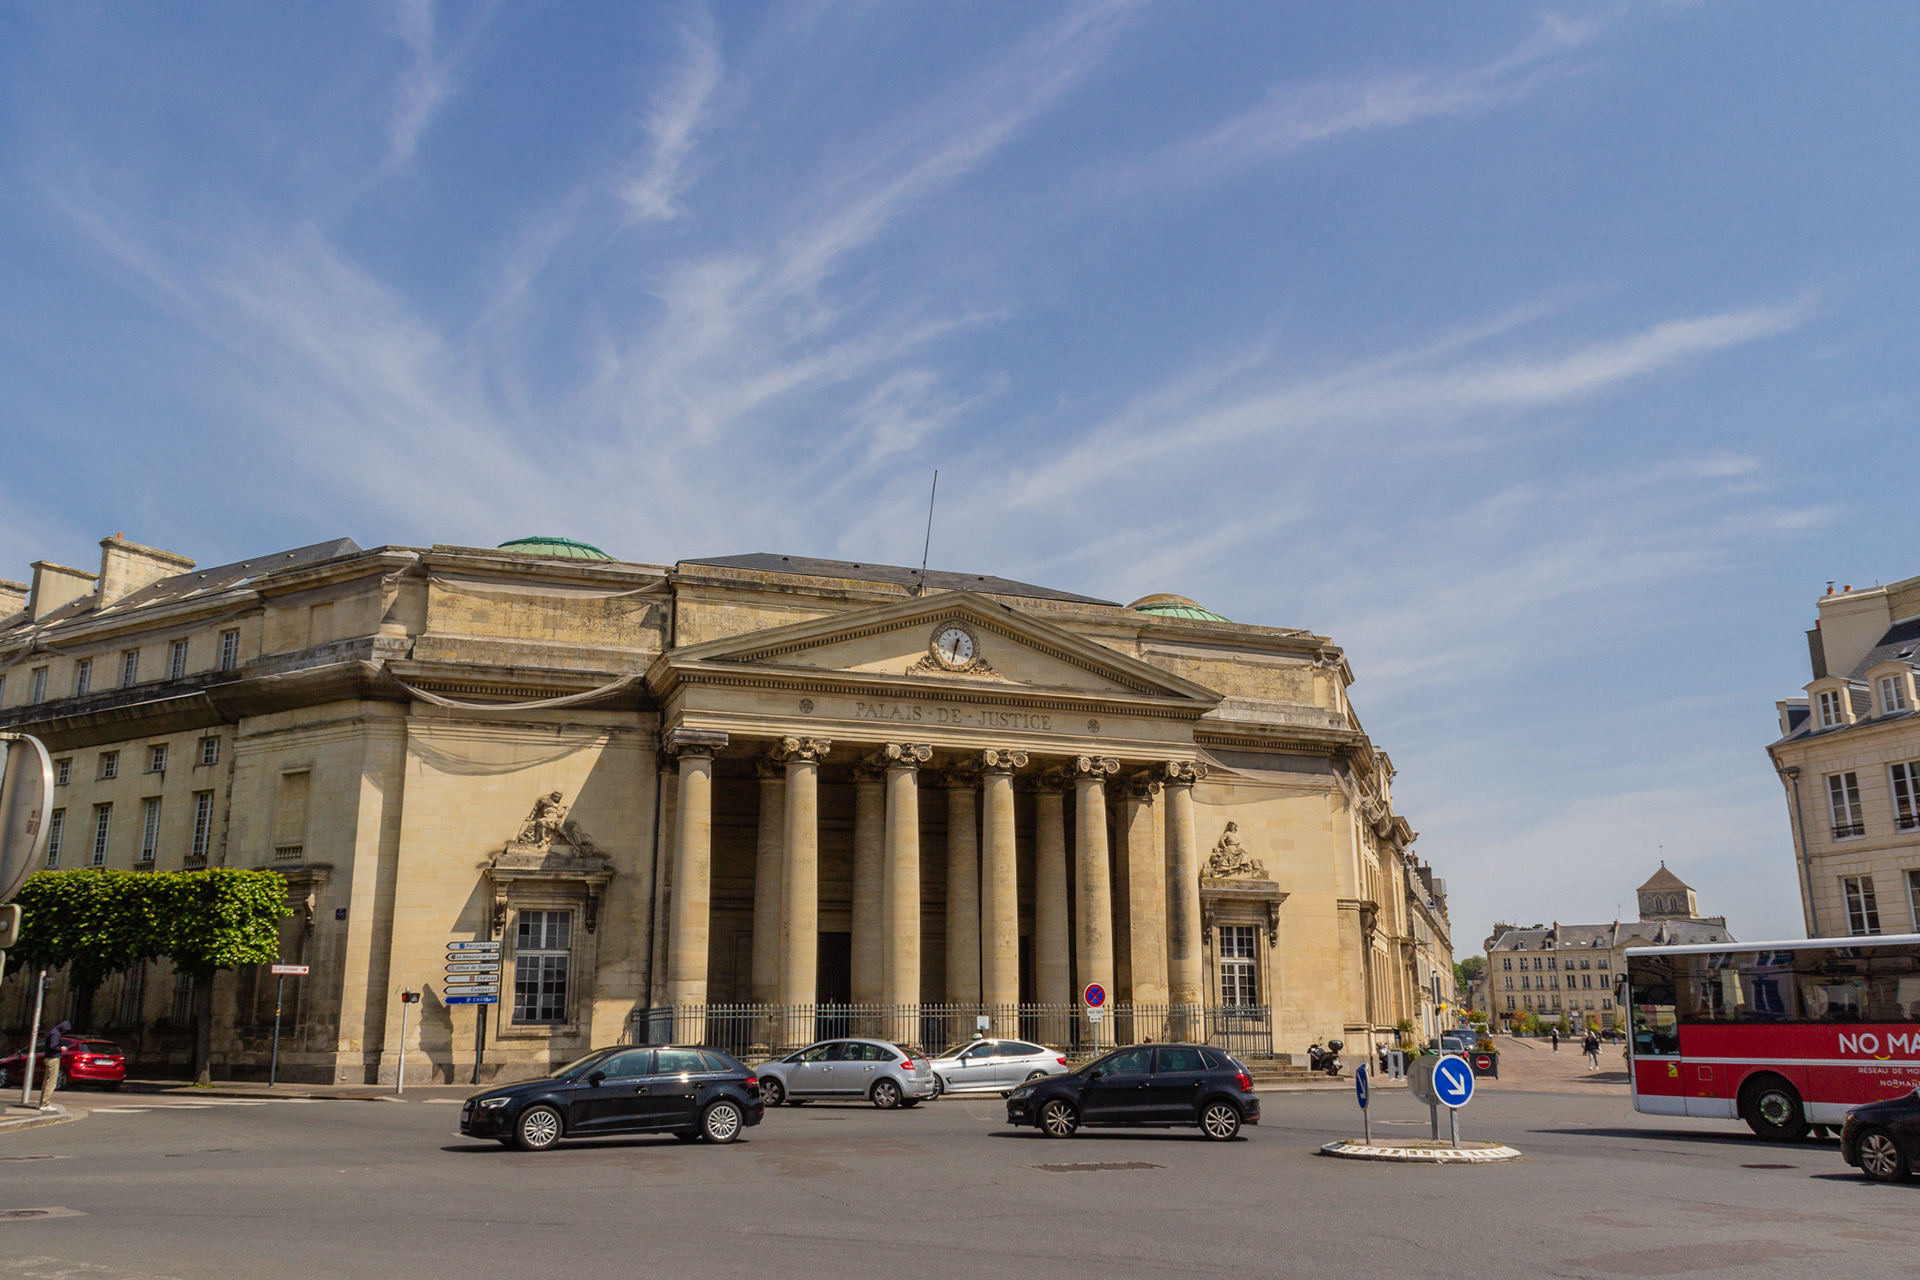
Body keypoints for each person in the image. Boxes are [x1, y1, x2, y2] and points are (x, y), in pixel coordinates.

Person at [38, 1021, 70, 1109]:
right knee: (51, 1082)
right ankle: (45, 1104)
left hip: (48, 1058)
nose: (65, 1032)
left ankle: (43, 1102)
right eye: (65, 1030)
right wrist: (61, 1048)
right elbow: (53, 1046)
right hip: (53, 1058)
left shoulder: (52, 1031)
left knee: (47, 1081)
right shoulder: (56, 1033)